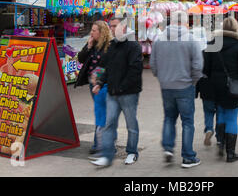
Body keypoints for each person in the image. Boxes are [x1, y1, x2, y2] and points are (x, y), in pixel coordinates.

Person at [150, 11, 203, 168]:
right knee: (187, 122)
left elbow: (153, 64)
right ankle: (188, 157)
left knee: (169, 118)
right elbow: (198, 66)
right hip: (185, 86)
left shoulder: (159, 40)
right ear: (186, 23)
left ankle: (168, 148)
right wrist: (193, 81)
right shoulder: (192, 40)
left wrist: (162, 78)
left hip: (166, 87)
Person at [91, 17, 143, 167]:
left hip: (129, 93)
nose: (112, 29)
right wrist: (100, 83)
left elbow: (135, 70)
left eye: (114, 26)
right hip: (113, 93)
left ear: (124, 28)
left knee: (131, 124)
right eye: (111, 26)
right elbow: (106, 67)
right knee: (109, 123)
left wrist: (121, 87)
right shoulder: (112, 45)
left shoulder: (133, 45)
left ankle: (132, 152)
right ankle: (107, 155)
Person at [202, 17, 238, 162]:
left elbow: (205, 68)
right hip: (233, 86)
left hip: (215, 86)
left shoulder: (212, 43)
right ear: (236, 28)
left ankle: (221, 144)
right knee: (231, 118)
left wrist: (213, 79)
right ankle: (231, 153)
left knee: (221, 115)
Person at [75, 21, 112, 155]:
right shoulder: (92, 44)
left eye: (94, 30)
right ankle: (104, 143)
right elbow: (80, 59)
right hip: (93, 84)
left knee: (102, 113)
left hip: (104, 84)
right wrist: (88, 46)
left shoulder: (109, 46)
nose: (91, 33)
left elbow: (107, 65)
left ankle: (100, 144)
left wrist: (99, 81)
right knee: (102, 113)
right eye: (91, 30)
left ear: (101, 32)